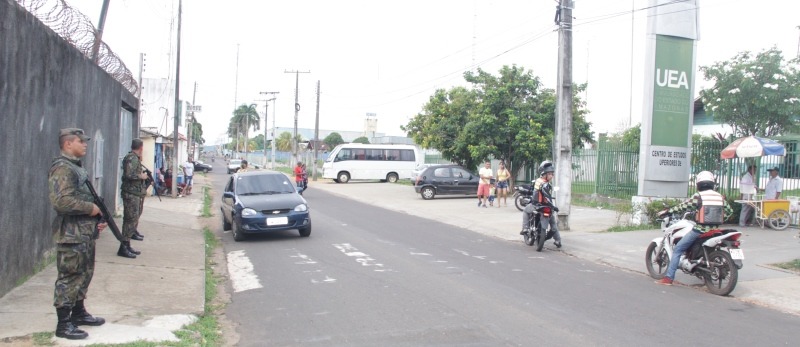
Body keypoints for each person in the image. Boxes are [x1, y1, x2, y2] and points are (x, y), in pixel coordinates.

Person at [49, 128, 107, 340]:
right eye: (80, 141)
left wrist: (96, 219)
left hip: (83, 233)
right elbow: (61, 202)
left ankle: (78, 313)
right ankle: (63, 324)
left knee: (84, 272)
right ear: (67, 144)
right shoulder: (63, 169)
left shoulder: (75, 167)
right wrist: (90, 208)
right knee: (69, 276)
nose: (85, 144)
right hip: (71, 234)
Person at [656, 171, 732, 286]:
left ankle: (668, 278)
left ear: (699, 184)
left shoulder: (699, 196)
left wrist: (668, 212)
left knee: (678, 250)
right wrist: (721, 219)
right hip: (715, 230)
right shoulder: (719, 196)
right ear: (712, 183)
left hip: (700, 230)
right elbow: (730, 211)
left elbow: (683, 206)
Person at [520, 161, 562, 248]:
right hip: (545, 206)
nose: (552, 176)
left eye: (552, 174)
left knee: (525, 211)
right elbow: (547, 196)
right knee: (553, 222)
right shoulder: (545, 184)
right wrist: (553, 206)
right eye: (550, 174)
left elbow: (534, 192)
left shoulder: (538, 181)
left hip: (537, 206)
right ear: (545, 174)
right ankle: (558, 240)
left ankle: (525, 228)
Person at [120, 139, 148, 259]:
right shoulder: (132, 158)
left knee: (132, 220)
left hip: (135, 193)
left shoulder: (135, 158)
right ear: (141, 147)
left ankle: (126, 245)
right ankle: (123, 247)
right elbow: (128, 175)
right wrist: (141, 176)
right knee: (130, 220)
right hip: (130, 194)